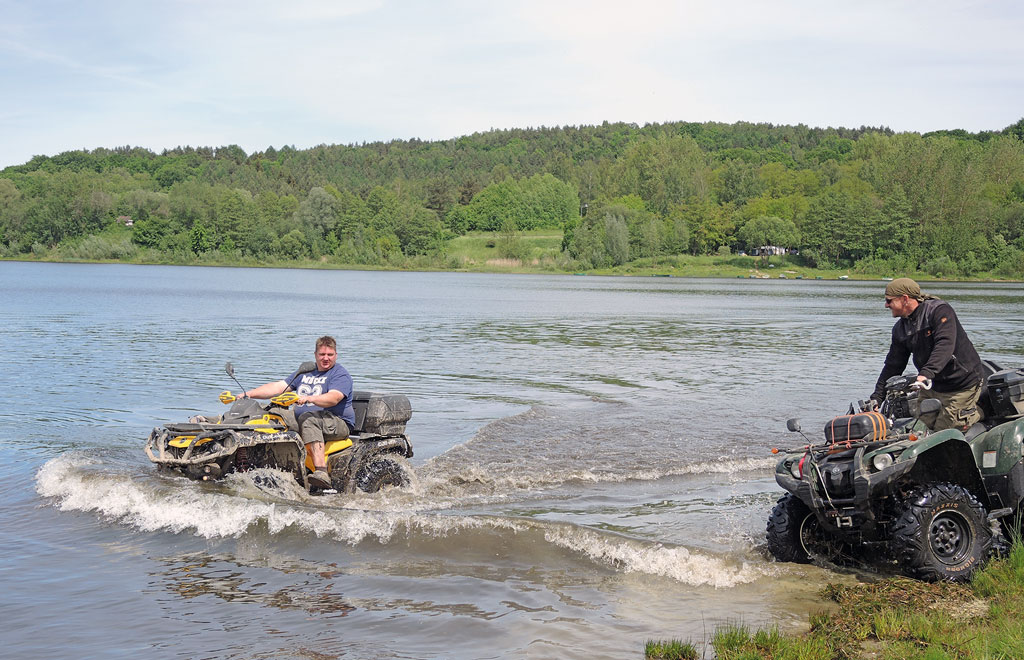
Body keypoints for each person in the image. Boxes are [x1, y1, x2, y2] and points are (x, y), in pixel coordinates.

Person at [233, 336, 355, 489]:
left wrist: (309, 398)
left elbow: (333, 398)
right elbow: (278, 387)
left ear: (336, 355)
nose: (326, 358)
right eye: (322, 354)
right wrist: (248, 394)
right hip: (305, 419)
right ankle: (247, 459)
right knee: (271, 413)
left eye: (330, 355)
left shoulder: (340, 374)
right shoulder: (305, 372)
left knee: (309, 418)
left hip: (337, 423)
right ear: (315, 354)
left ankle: (321, 472)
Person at [871, 278, 985, 431]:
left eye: (889, 300)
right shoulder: (900, 329)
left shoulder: (939, 311)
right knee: (920, 428)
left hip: (960, 383)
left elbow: (945, 345)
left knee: (944, 431)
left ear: (904, 299)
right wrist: (877, 398)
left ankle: (976, 413)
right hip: (932, 385)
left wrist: (925, 374)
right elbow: (893, 365)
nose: (886, 305)